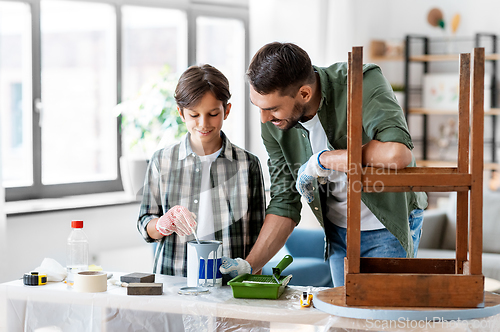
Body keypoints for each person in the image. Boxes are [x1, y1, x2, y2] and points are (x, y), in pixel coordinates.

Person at [244, 42, 428, 287]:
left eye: (273, 109)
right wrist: (248, 266)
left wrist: (323, 160)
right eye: (258, 107)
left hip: (388, 222)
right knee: (345, 319)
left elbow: (397, 154)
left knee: (380, 320)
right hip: (339, 232)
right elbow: (284, 202)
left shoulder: (361, 82)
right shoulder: (273, 124)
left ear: (305, 94)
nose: (265, 118)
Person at [137, 64, 265, 277]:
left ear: (227, 110)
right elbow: (144, 225)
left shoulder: (247, 164)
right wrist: (162, 223)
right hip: (174, 281)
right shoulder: (162, 160)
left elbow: (258, 237)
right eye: (194, 115)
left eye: (213, 114)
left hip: (229, 285)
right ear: (181, 113)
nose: (203, 124)